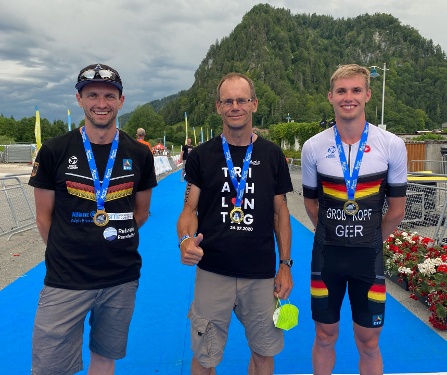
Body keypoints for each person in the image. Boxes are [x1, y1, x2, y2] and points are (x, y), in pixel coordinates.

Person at [28, 63, 157, 374]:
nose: (102, 103)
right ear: (79, 99)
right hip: (66, 279)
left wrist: (109, 235)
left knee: (104, 357)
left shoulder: (139, 154)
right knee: (50, 368)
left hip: (120, 277)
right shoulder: (54, 150)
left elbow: (140, 213)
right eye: (93, 95)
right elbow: (44, 217)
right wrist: (71, 244)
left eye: (109, 96)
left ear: (121, 101)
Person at [176, 72, 293, 375]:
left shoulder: (272, 155)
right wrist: (184, 240)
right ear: (218, 107)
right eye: (228, 101)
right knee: (205, 356)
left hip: (260, 273)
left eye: (241, 100)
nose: (235, 106)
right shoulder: (202, 156)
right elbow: (189, 210)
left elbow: (281, 213)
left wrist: (285, 265)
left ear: (254, 104)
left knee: (264, 352)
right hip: (213, 271)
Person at [301, 64, 407, 375]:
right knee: (324, 337)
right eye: (342, 91)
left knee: (369, 342)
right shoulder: (313, 147)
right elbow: (310, 206)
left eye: (356, 90)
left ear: (367, 94)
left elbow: (397, 210)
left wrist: (369, 238)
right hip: (327, 256)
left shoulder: (391, 144)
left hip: (367, 259)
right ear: (330, 97)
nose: (349, 97)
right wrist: (335, 232)